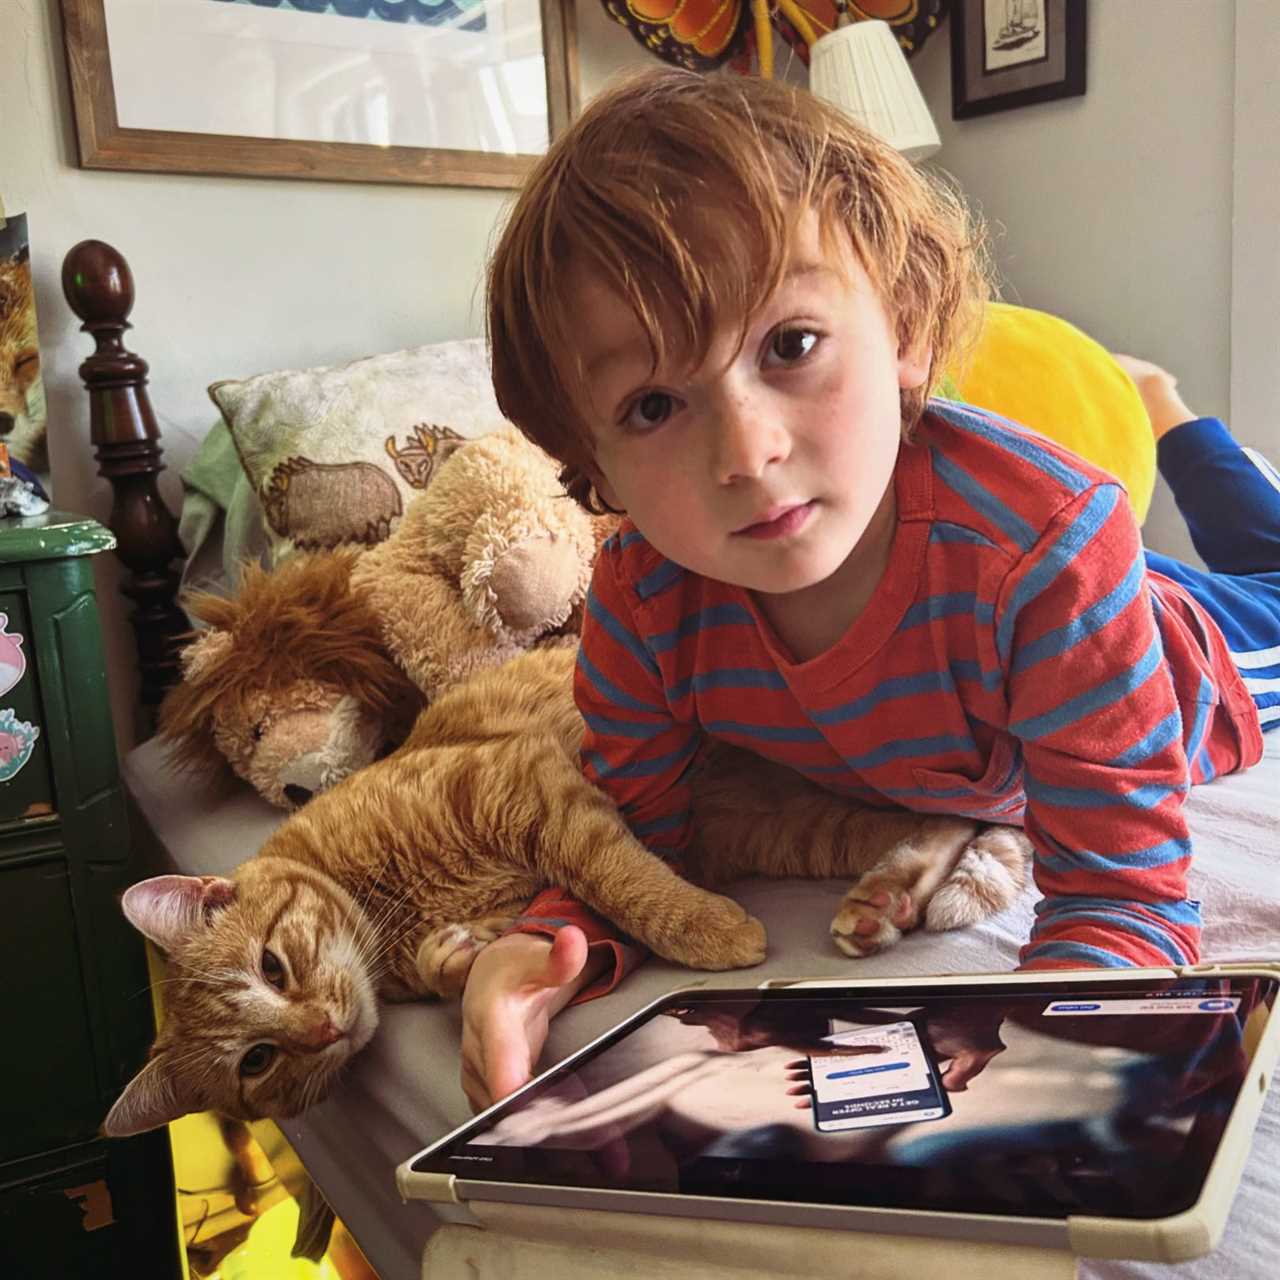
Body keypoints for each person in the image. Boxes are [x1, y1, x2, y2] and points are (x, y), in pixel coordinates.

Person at [457, 69, 1277, 1112]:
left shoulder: (1054, 543)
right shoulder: (641, 600)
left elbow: (1121, 898)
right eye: (654, 403)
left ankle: (1172, 416)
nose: (746, 452)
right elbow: (636, 836)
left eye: (788, 345)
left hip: (1187, 656)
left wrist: (1011, 1079)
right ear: (593, 465)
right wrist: (548, 941)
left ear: (904, 328)